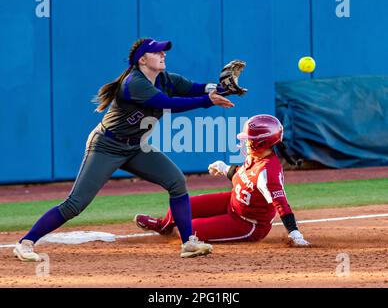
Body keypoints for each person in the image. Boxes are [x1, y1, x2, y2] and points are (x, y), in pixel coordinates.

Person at [13, 37, 236, 261]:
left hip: (136, 147)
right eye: (157, 52)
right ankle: (25, 243)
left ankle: (188, 242)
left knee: (177, 181)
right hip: (106, 146)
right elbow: (168, 104)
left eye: (163, 51)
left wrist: (223, 89)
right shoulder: (134, 83)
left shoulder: (166, 79)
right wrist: (209, 100)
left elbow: (195, 88)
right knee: (75, 204)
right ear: (142, 59)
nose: (163, 55)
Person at [135, 114, 311, 246]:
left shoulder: (267, 172)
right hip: (231, 203)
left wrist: (294, 233)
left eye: (250, 139)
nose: (246, 142)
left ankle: (182, 233)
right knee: (182, 206)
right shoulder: (256, 157)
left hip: (247, 224)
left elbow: (280, 203)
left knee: (188, 232)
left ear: (261, 143)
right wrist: (224, 168)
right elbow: (244, 179)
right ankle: (163, 226)